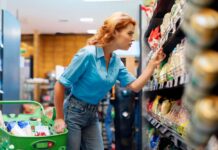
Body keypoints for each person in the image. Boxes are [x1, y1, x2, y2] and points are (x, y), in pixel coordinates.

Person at [54, 12, 166, 150]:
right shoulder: (88, 54)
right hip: (72, 112)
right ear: (115, 32)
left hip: (91, 114)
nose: (132, 39)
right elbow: (60, 84)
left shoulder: (116, 61)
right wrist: (59, 117)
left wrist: (152, 65)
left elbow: (135, 86)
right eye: (130, 33)